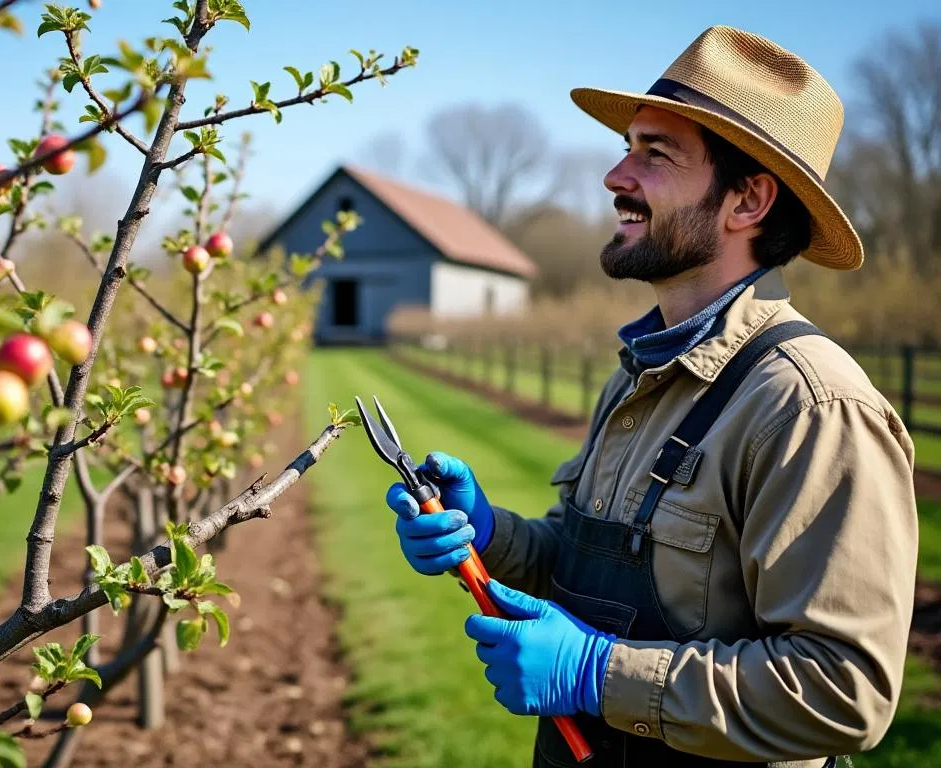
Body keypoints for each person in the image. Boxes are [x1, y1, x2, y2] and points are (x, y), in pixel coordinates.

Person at [385, 25, 918, 768]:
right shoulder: (642, 371)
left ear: (748, 200)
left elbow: (843, 690)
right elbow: (586, 574)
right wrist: (486, 534)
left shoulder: (809, 407)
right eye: (628, 145)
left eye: (654, 154)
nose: (614, 174)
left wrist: (597, 675)